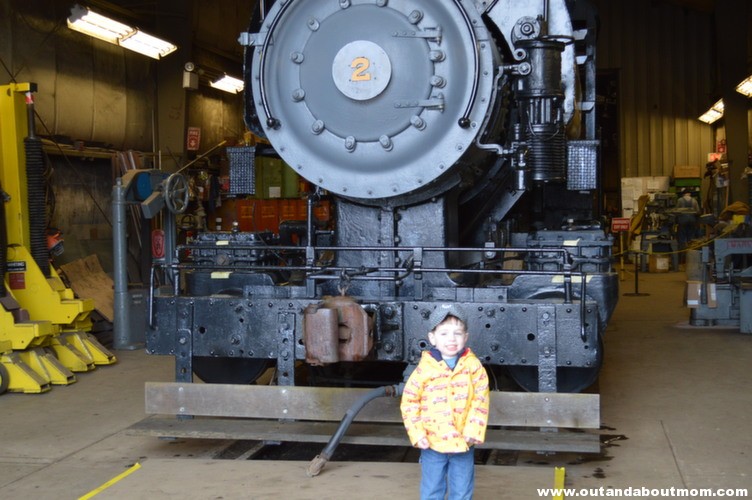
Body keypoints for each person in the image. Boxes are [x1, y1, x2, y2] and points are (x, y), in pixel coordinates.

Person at [400, 304, 490, 500]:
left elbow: (480, 400)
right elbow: (409, 403)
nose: (451, 339)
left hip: (463, 442)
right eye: (444, 333)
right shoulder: (424, 370)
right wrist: (417, 434)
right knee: (432, 489)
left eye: (457, 333)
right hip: (432, 443)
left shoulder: (473, 367)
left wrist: (473, 431)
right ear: (432, 338)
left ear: (465, 337)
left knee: (462, 490)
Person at [675, 188, 700, 254]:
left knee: (682, 237)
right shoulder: (694, 201)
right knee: (691, 237)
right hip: (692, 220)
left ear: (683, 194)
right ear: (690, 194)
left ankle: (683, 253)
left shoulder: (680, 200)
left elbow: (676, 211)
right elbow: (698, 211)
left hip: (682, 220)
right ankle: (690, 253)